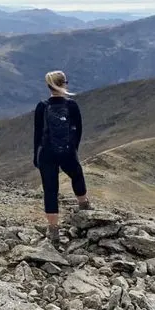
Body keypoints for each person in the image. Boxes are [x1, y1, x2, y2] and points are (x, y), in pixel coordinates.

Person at [33, 70, 89, 246]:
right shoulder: (72, 106)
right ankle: (85, 209)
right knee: (77, 176)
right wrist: (72, 151)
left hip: (46, 154)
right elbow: (78, 130)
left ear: (49, 86)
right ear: (64, 84)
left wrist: (36, 156)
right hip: (67, 152)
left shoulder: (42, 106)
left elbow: (37, 134)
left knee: (50, 190)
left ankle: (54, 231)